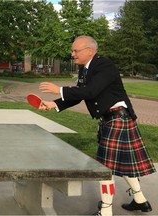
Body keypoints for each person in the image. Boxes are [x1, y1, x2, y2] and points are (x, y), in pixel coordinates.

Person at [38, 36, 156, 216]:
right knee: (123, 164)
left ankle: (106, 211)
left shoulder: (104, 65)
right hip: (113, 120)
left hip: (118, 119)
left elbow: (91, 91)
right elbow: (79, 95)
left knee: (104, 168)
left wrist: (59, 89)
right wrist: (54, 104)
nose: (72, 54)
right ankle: (141, 201)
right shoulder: (85, 70)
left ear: (90, 51)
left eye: (75, 51)